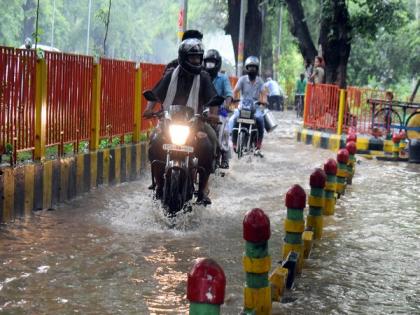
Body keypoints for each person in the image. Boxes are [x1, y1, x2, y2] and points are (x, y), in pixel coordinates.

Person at [143, 38, 221, 205]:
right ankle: (158, 184)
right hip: (169, 124)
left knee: (210, 142)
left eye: (199, 58)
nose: (196, 61)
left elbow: (213, 99)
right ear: (183, 57)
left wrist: (213, 115)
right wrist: (149, 109)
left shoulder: (204, 77)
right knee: (154, 140)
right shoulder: (171, 75)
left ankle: (202, 190)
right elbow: (157, 93)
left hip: (196, 124)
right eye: (193, 58)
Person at [228, 56, 267, 157]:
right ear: (247, 68)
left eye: (254, 67)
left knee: (260, 119)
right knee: (234, 119)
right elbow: (235, 91)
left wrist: (263, 102)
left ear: (257, 69)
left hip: (255, 107)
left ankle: (258, 146)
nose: (252, 69)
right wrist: (233, 100)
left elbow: (264, 93)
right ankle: (234, 142)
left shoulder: (260, 81)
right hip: (243, 105)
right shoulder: (242, 79)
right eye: (250, 67)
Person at [203, 49, 233, 168]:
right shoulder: (201, 76)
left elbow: (229, 93)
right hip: (203, 109)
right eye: (207, 62)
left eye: (212, 63)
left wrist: (227, 103)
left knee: (224, 129)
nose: (209, 65)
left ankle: (224, 155)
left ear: (218, 63)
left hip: (220, 110)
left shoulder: (223, 78)